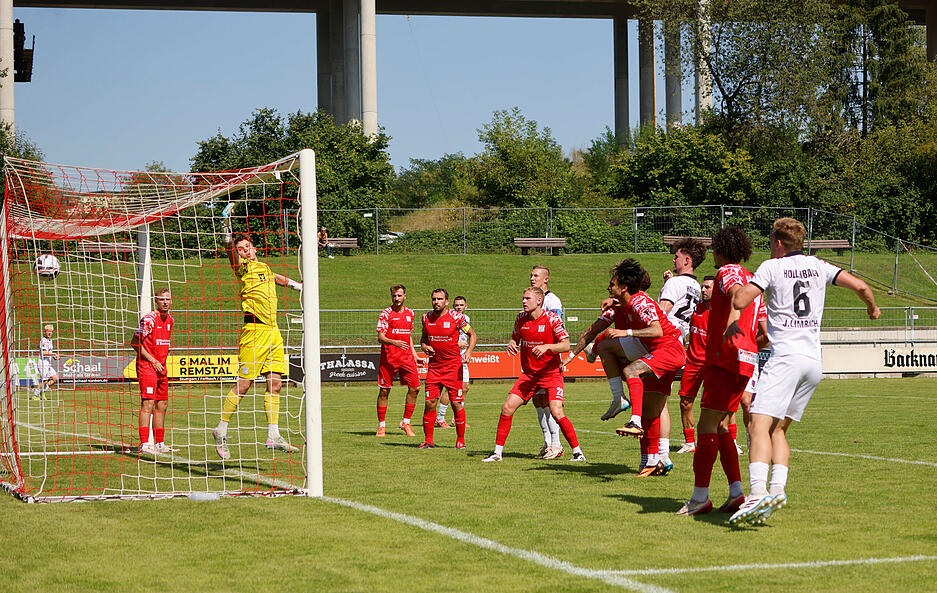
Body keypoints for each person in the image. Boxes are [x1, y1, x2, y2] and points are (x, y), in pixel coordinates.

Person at [729, 218, 880, 525]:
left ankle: (756, 494)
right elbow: (862, 287)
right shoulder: (819, 265)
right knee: (778, 429)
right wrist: (872, 308)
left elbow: (741, 299)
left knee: (758, 423)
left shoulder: (773, 267)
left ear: (779, 243)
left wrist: (736, 288)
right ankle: (778, 490)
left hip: (785, 358)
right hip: (813, 362)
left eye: (772, 241)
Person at [677, 226, 760, 517]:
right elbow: (763, 327)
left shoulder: (729, 272)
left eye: (714, 247)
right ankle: (736, 493)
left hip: (726, 358)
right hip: (746, 360)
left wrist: (732, 324)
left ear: (722, 249)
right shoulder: (755, 280)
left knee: (707, 426)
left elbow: (735, 292)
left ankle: (700, 498)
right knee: (724, 425)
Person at [212, 232, 301, 459]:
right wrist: (227, 236)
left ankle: (273, 434)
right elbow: (232, 256)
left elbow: (274, 277)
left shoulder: (263, 267)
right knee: (244, 386)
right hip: (254, 333)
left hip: (273, 332)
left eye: (248, 246)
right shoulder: (242, 269)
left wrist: (295, 285)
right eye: (241, 248)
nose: (245, 250)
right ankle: (221, 429)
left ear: (254, 248)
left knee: (276, 383)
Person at [483, 287, 585, 462]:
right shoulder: (520, 319)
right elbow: (516, 337)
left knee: (556, 411)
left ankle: (578, 453)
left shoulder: (552, 319)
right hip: (529, 376)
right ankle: (497, 454)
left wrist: (548, 347)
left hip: (551, 374)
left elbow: (566, 345)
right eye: (523, 298)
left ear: (539, 301)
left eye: (527, 298)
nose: (523, 301)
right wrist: (512, 343)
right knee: (507, 407)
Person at [655, 238, 705, 467]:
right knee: (663, 397)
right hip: (680, 342)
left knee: (655, 398)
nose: (673, 259)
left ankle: (657, 451)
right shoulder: (695, 286)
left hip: (664, 339)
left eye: (676, 256)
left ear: (687, 260)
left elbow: (661, 312)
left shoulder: (675, 284)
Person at [419, 289, 477, 449]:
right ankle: (428, 440)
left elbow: (472, 334)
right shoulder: (425, 318)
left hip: (453, 368)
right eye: (433, 299)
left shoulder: (457, 318)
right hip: (434, 368)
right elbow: (423, 338)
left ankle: (460, 440)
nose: (436, 302)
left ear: (446, 302)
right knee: (430, 402)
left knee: (456, 403)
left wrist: (469, 352)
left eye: (440, 299)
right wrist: (424, 346)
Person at [131, 288, 174, 454]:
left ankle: (160, 444)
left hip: (161, 367)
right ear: (156, 301)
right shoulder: (149, 319)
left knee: (162, 403)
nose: (165, 302)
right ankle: (144, 443)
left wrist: (160, 361)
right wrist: (152, 360)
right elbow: (135, 342)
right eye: (162, 299)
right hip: (147, 366)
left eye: (167, 299)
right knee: (148, 402)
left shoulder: (170, 319)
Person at [675, 276, 714, 454]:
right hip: (692, 362)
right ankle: (690, 443)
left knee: (717, 405)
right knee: (685, 402)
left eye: (707, 287)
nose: (704, 290)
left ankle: (730, 441)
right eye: (703, 287)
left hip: (712, 363)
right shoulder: (694, 307)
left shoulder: (722, 310)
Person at [376, 284, 420, 437]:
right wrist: (394, 342)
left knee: (415, 388)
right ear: (391, 297)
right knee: (384, 391)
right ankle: (381, 425)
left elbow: (408, 336)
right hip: (389, 358)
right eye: (394, 296)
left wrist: (414, 355)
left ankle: (406, 422)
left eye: (399, 295)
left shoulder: (410, 313)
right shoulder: (385, 314)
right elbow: (380, 337)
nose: (397, 298)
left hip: (407, 358)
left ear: (404, 296)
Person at [529, 265, 564, 459]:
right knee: (538, 401)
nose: (532, 278)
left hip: (548, 361)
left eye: (536, 276)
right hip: (534, 361)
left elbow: (557, 328)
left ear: (546, 279)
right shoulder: (532, 299)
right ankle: (547, 443)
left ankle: (556, 445)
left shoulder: (552, 300)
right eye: (531, 275)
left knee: (551, 403)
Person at [436, 295, 471, 428]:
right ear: (452, 306)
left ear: (466, 306)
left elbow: (470, 335)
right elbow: (443, 339)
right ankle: (440, 418)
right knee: (450, 389)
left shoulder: (466, 319)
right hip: (452, 358)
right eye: (456, 305)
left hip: (463, 359)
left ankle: (457, 418)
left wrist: (468, 352)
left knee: (465, 387)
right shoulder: (449, 319)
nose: (459, 307)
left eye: (461, 305)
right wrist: (457, 345)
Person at [34, 324, 59, 400]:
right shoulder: (43, 340)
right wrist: (53, 354)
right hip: (42, 364)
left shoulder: (50, 341)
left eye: (51, 331)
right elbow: (43, 353)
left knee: (55, 378)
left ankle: (42, 391)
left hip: (48, 364)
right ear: (45, 332)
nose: (49, 333)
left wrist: (54, 356)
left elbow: (49, 353)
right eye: (48, 331)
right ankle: (35, 395)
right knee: (44, 381)